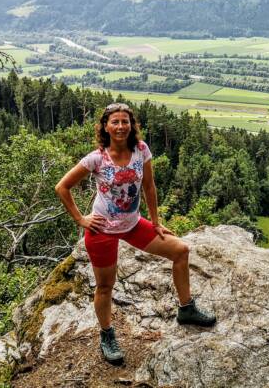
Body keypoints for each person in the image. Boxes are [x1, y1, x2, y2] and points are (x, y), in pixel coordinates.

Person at [55, 102, 216, 365]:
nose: (120, 126)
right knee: (105, 286)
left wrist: (155, 222)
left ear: (132, 126)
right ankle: (107, 335)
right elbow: (62, 187)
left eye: (125, 122)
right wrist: (80, 219)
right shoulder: (97, 158)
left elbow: (149, 187)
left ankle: (186, 309)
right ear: (105, 127)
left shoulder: (141, 150)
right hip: (102, 231)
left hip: (133, 224)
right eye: (115, 122)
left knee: (181, 251)